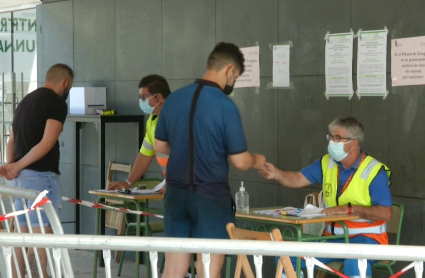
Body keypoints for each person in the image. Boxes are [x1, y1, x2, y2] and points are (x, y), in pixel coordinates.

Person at [154, 42, 266, 278]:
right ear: (229, 70)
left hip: (175, 194)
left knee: (173, 270)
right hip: (210, 197)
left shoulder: (173, 100)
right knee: (208, 269)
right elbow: (240, 161)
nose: (232, 84)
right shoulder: (225, 106)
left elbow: (160, 146)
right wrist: (258, 159)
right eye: (235, 77)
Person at [259, 116, 392, 278]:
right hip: (333, 239)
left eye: (337, 138)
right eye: (330, 137)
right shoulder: (327, 163)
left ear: (353, 143)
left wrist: (350, 209)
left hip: (368, 240)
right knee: (287, 255)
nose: (332, 142)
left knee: (355, 262)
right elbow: (298, 179)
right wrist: (276, 174)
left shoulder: (374, 171)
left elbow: (386, 213)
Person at [0, 63, 74, 278]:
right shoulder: (56, 103)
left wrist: (12, 167)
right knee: (42, 236)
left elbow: (11, 140)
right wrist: (16, 166)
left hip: (20, 181)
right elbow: (47, 142)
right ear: (65, 83)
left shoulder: (25, 101)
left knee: (22, 237)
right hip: (41, 178)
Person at [107, 74, 171, 191]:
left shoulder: (178, 117)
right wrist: (128, 183)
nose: (141, 101)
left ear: (159, 97)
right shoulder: (153, 121)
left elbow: (189, 155)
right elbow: (145, 154)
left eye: (144, 97)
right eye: (139, 97)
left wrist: (177, 183)